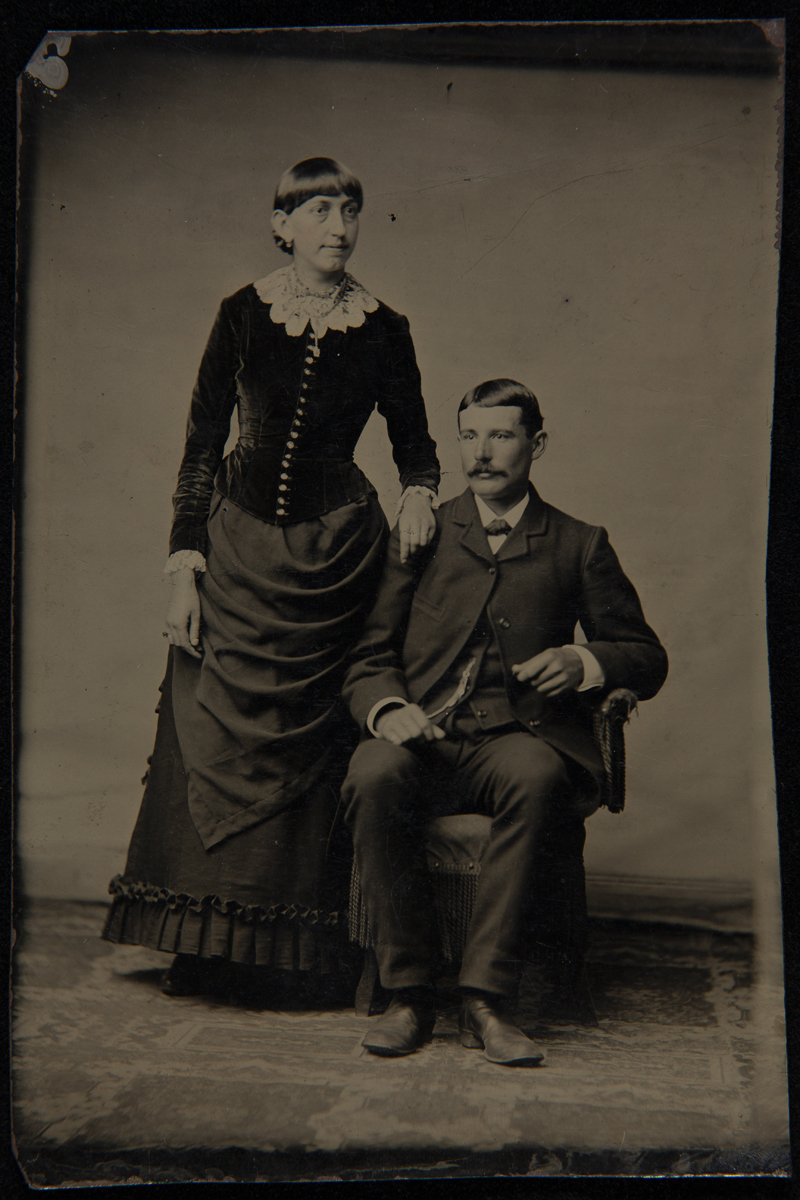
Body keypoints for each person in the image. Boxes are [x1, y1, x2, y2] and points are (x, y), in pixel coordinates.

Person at [102, 158, 440, 1000]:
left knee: (307, 745)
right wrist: (184, 568)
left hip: (333, 557)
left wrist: (422, 496)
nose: (338, 225)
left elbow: (416, 447)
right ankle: (202, 944)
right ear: (282, 224)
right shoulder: (242, 315)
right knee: (206, 737)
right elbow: (198, 450)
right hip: (235, 550)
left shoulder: (386, 328)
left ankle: (292, 959)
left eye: (350, 210)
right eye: (318, 209)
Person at [342, 378, 667, 1063]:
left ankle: (485, 1000)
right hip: (424, 742)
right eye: (469, 436)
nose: (482, 453)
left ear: (536, 443)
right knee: (373, 771)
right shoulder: (421, 532)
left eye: (502, 435)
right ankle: (408, 994)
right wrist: (390, 707)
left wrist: (584, 660)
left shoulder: (578, 543)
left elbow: (647, 655)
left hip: (516, 740)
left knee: (537, 772)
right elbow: (369, 654)